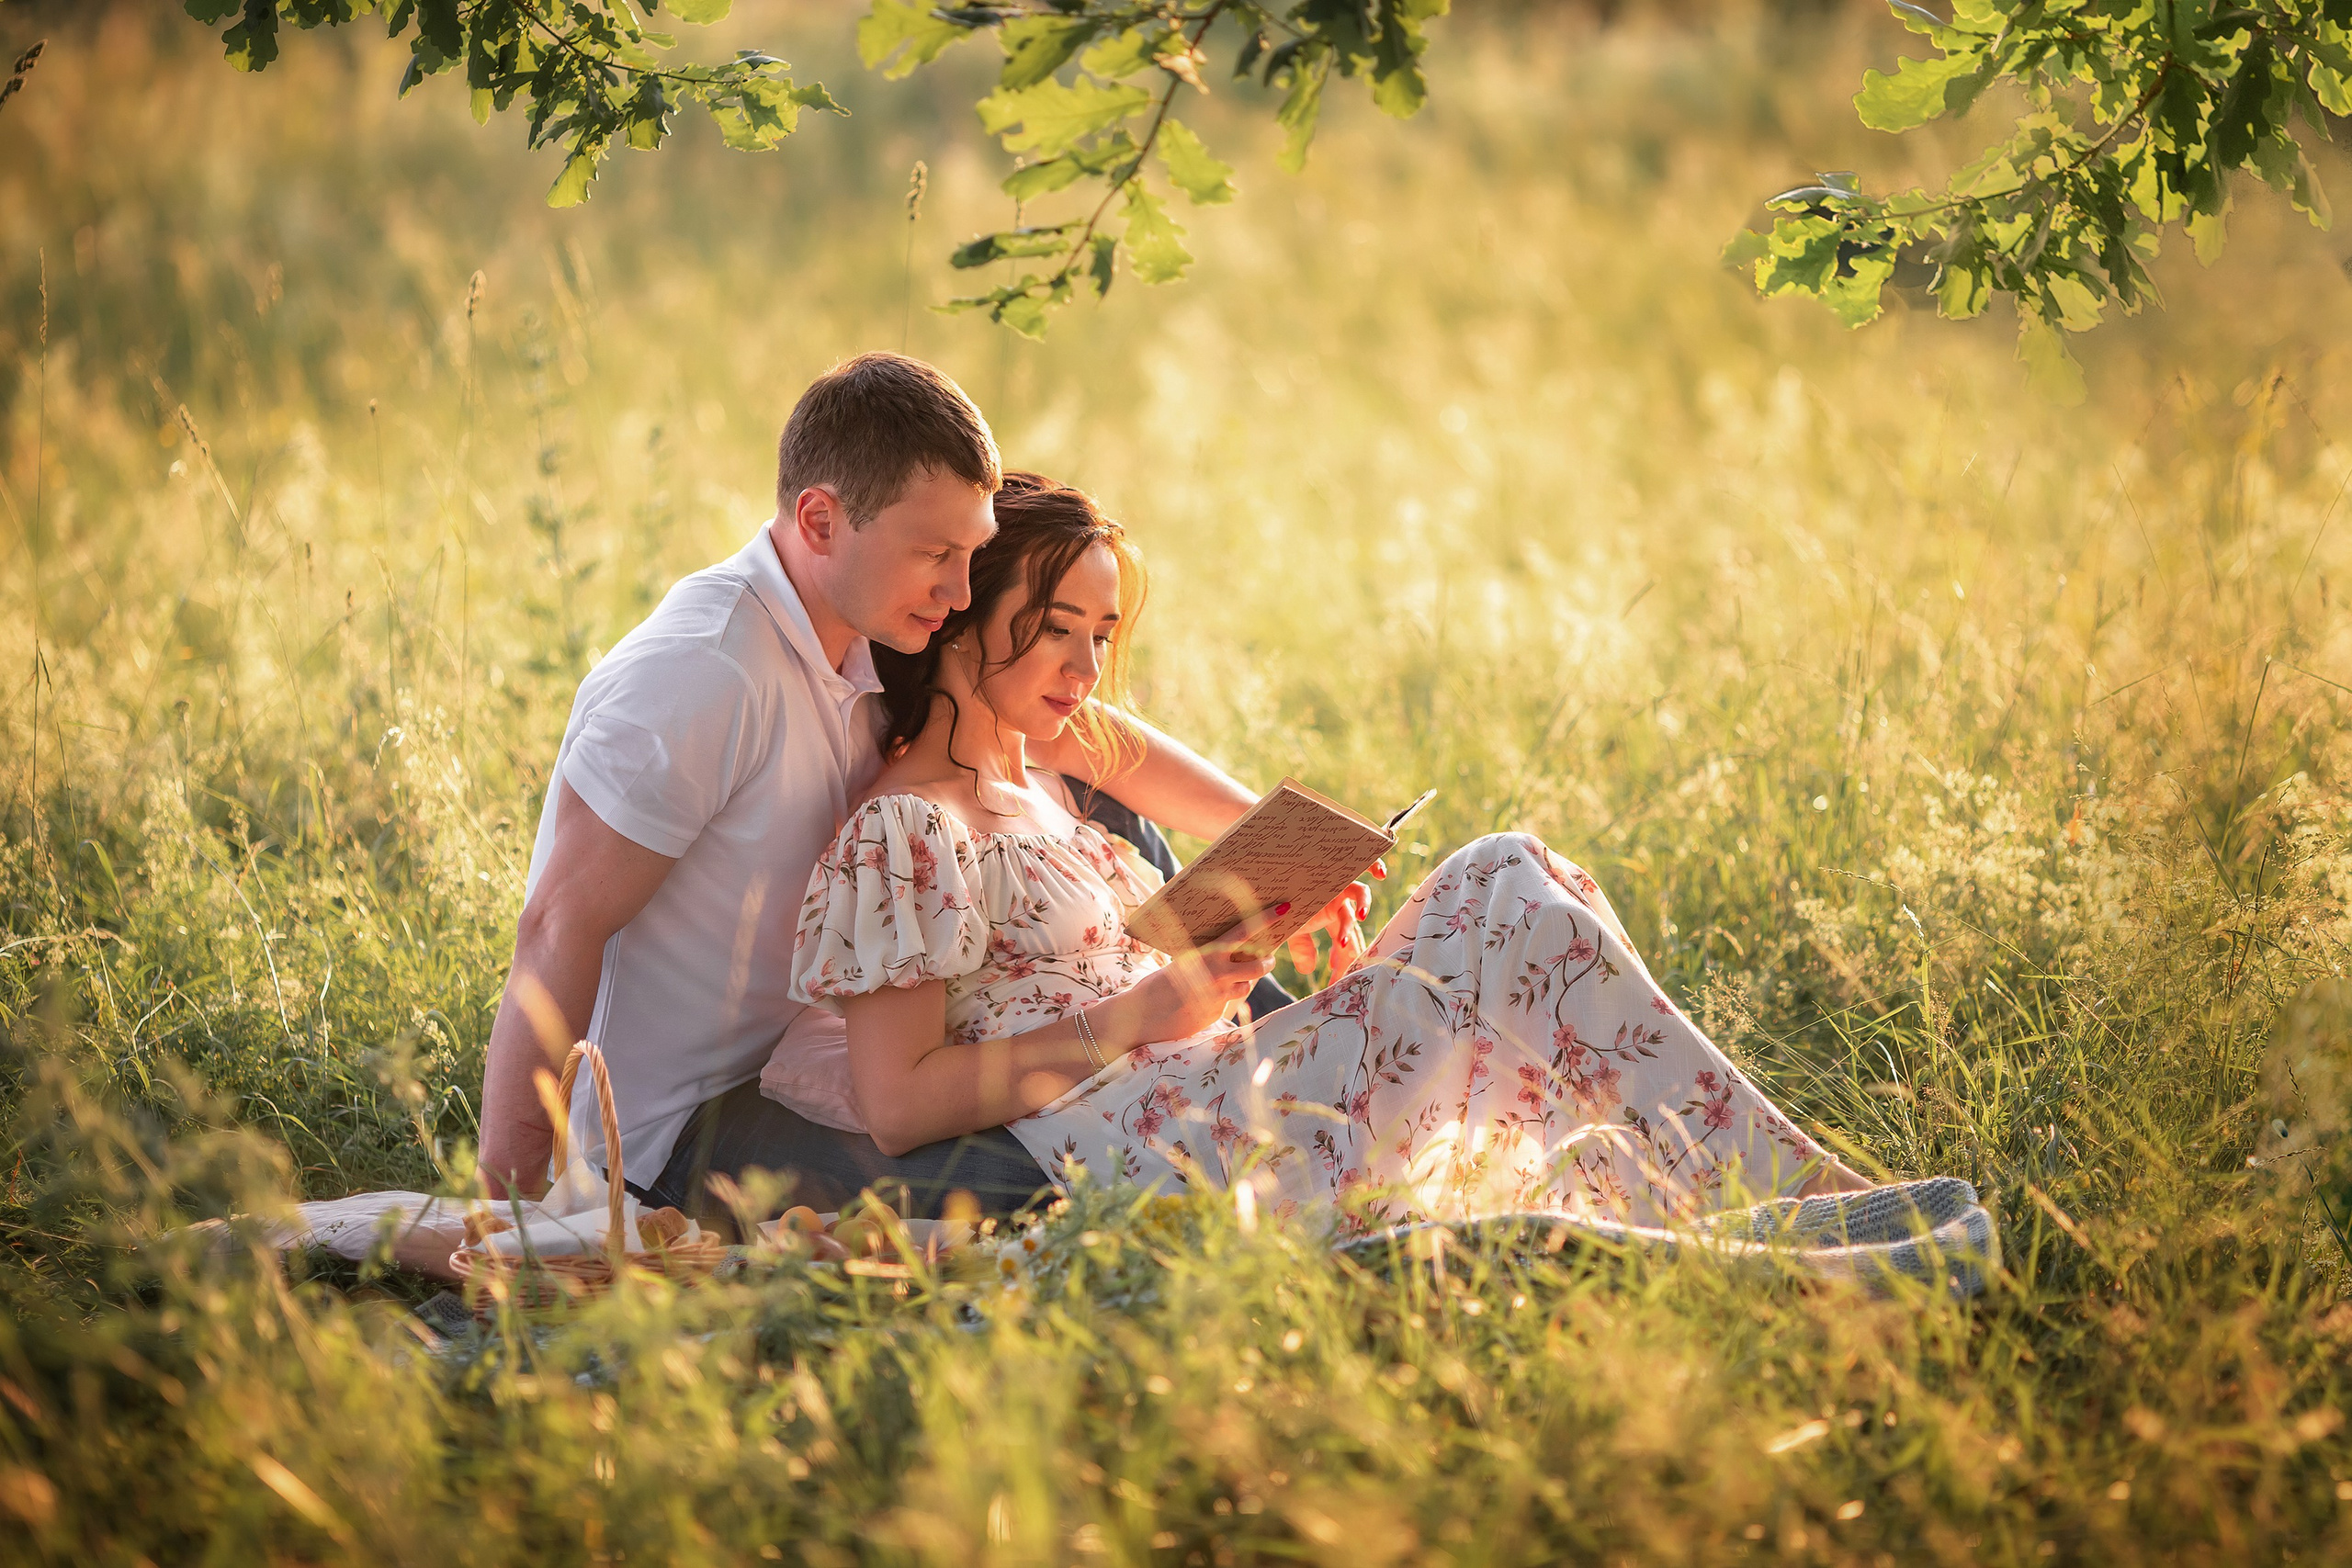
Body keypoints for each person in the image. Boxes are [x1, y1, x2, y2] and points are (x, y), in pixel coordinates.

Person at [789, 473, 1874, 1226]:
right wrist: (1147, 1013)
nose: (1083, 666)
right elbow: (898, 1104)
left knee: (1508, 872)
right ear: (964, 607)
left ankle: (1782, 1192)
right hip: (1156, 1143)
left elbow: (1119, 743)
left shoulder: (1036, 760)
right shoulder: (909, 828)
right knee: (1460, 937)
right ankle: (1786, 1202)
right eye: (1054, 624)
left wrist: (1300, 861)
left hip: (1218, 1077)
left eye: (1101, 635)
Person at [473, 354, 1364, 1220]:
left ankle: (1296, 1054)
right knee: (1089, 1183)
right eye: (936, 552)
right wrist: (507, 1215)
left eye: (973, 553)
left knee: (1103, 821)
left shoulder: (873, 620)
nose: (962, 591)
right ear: (820, 521)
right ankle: (1287, 1108)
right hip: (682, 1127)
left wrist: (1290, 851)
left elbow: (1083, 735)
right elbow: (557, 925)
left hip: (819, 1045)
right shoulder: (704, 674)